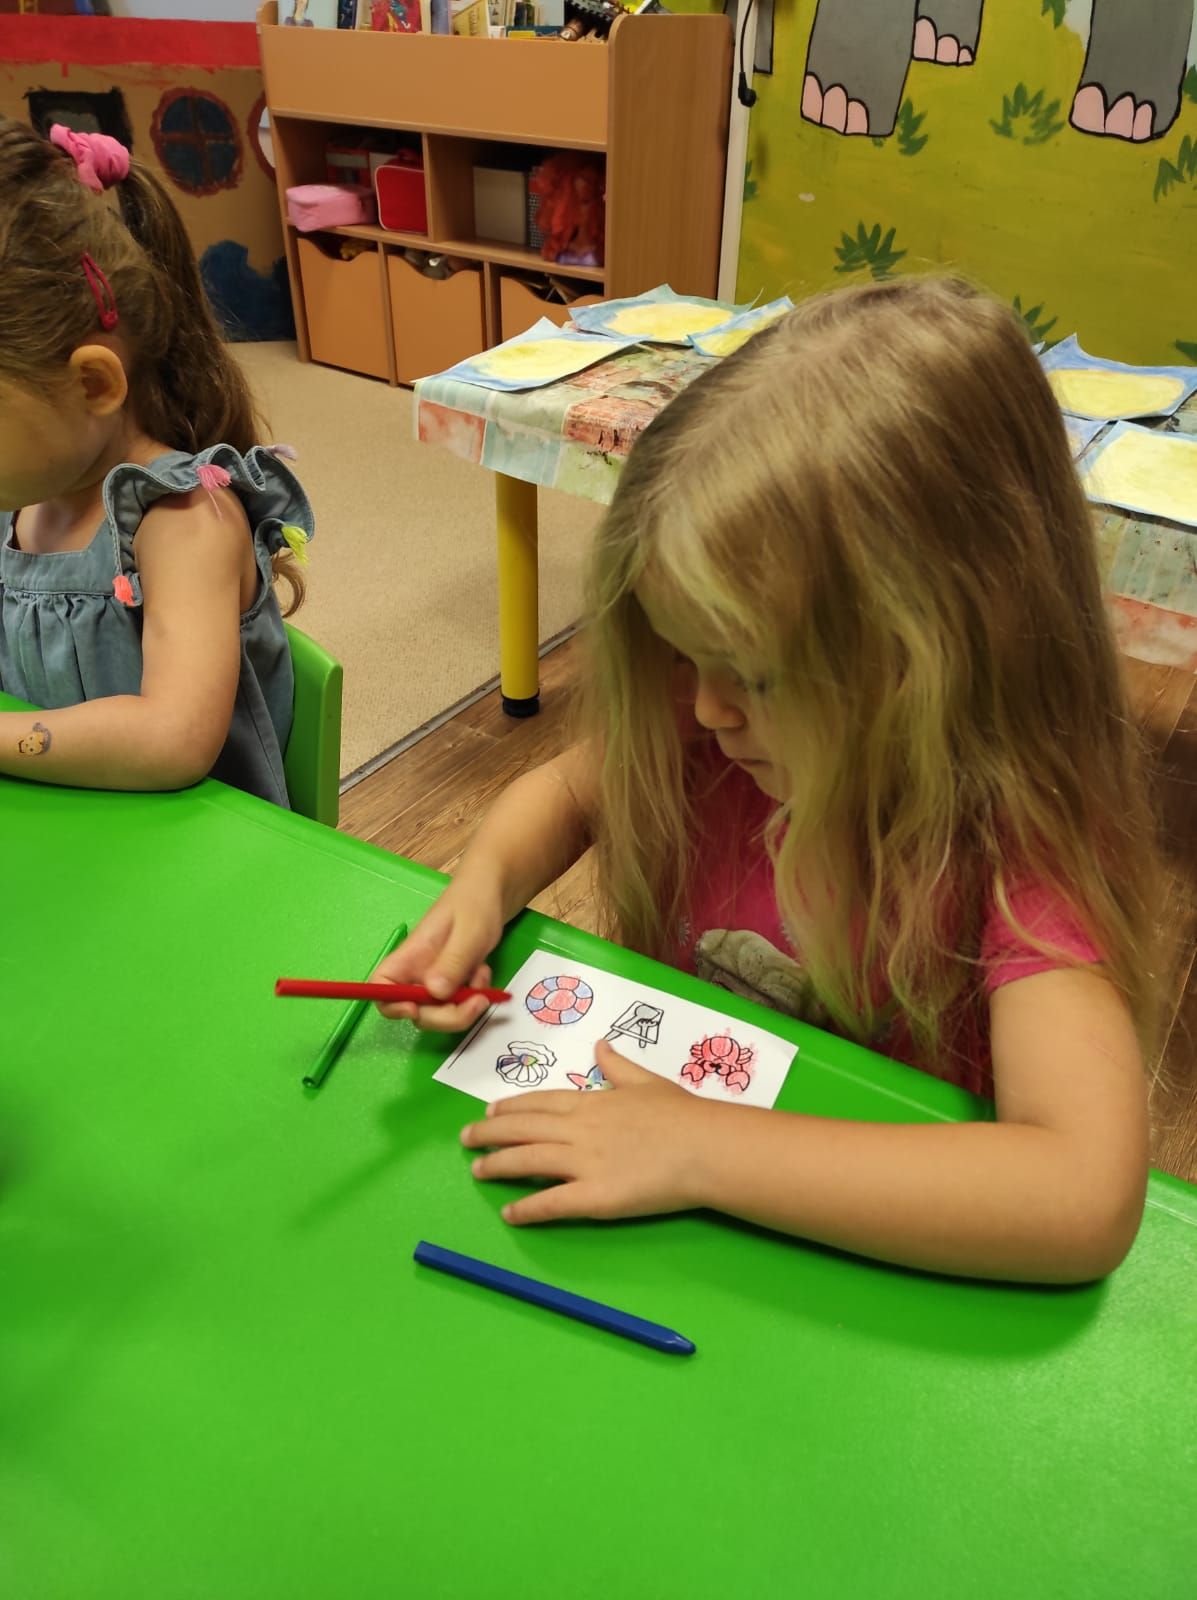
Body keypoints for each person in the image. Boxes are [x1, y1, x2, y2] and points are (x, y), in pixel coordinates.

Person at [376, 276, 1161, 1284]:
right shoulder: (708, 715)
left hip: (870, 1275)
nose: (704, 708)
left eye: (753, 672)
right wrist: (481, 892)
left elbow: (1080, 1195)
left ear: (935, 653)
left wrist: (697, 1149)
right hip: (674, 1243)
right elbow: (568, 791)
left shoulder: (1016, 845)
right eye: (684, 653)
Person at [0, 119, 313, 805]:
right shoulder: (22, 498)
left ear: (93, 384)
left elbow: (172, 739)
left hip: (204, 850)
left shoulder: (182, 522)